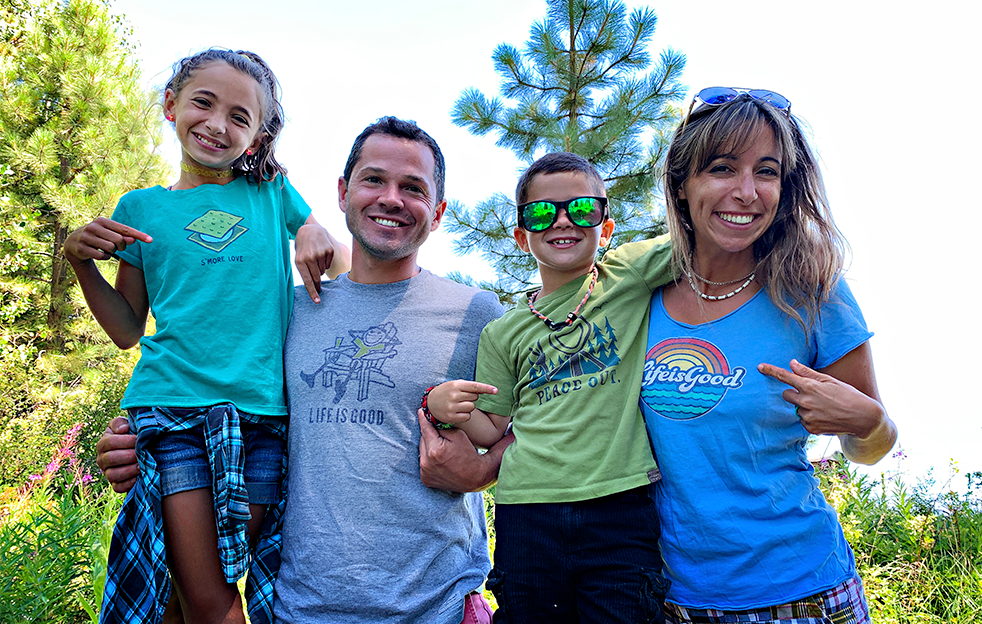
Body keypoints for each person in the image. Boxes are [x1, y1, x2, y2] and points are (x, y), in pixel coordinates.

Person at [96, 116, 510, 624]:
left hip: (439, 606)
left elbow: (547, 429)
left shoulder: (476, 313)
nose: (391, 198)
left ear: (439, 211)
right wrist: (140, 442)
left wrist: (485, 469)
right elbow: (215, 405)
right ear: (342, 192)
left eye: (413, 188)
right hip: (300, 608)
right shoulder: (285, 311)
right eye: (374, 179)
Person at [65, 49, 345, 624]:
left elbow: (336, 258)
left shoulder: (269, 193)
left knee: (192, 598)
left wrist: (315, 229)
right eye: (203, 102)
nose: (219, 124)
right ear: (170, 105)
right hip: (171, 413)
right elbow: (125, 329)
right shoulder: (139, 208)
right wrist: (81, 263)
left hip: (261, 417)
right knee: (208, 601)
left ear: (258, 134)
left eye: (241, 116)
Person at [639, 87, 897, 623]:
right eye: (722, 168)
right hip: (672, 598)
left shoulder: (813, 290)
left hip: (803, 594)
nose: (746, 192)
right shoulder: (638, 298)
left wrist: (870, 422)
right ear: (682, 185)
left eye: (767, 171)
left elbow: (871, 445)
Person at [424, 152, 672, 623]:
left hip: (618, 508)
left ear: (607, 226)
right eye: (541, 212)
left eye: (582, 209)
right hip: (526, 512)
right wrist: (441, 407)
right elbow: (490, 429)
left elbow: (705, 236)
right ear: (521, 236)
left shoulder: (629, 274)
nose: (563, 220)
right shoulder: (503, 332)